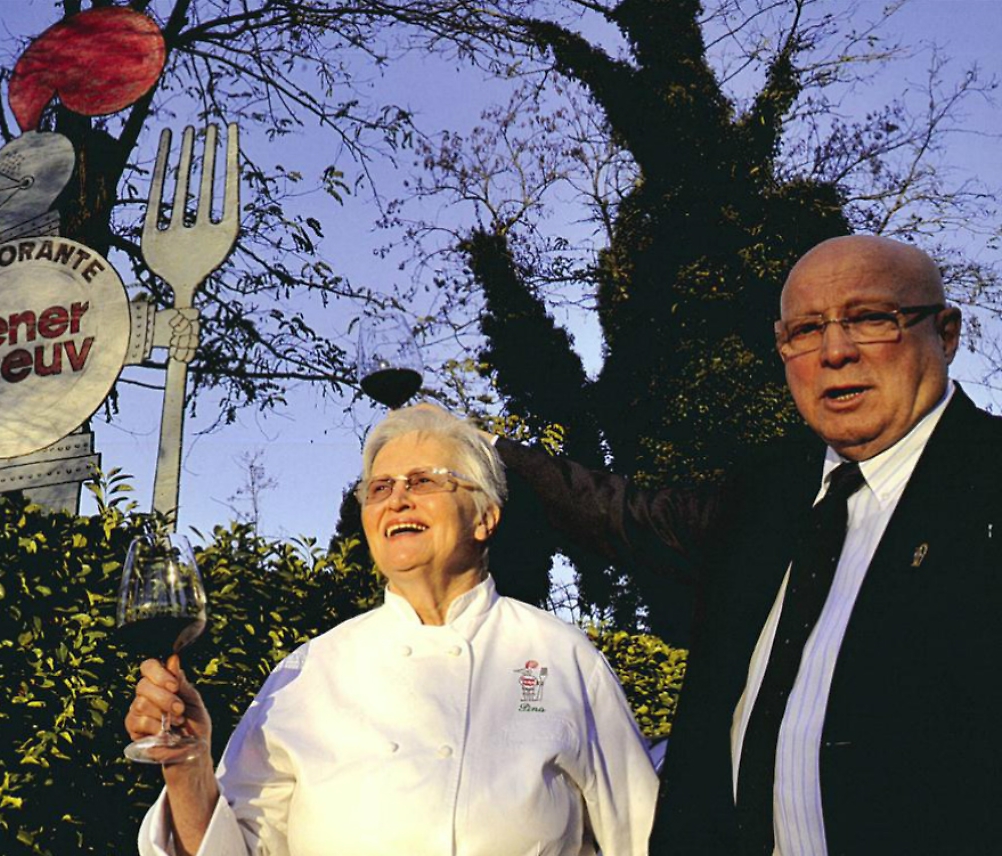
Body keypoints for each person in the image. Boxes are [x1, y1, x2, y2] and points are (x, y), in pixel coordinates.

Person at [492, 234, 1002, 854]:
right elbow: (622, 513)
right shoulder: (764, 496)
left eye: (871, 320)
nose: (835, 351)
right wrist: (480, 454)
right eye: (806, 331)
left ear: (945, 333)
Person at [126, 405, 658, 856]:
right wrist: (188, 766)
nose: (396, 499)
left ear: (485, 518)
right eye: (379, 488)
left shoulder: (559, 654)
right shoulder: (308, 674)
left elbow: (643, 836)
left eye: (424, 481)